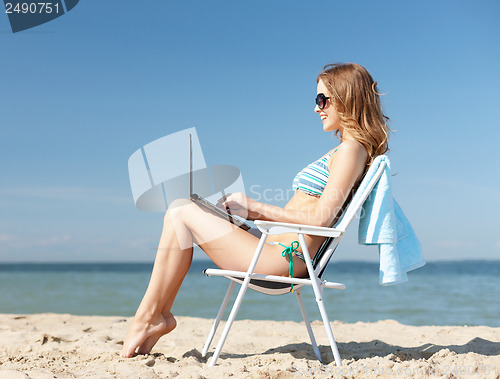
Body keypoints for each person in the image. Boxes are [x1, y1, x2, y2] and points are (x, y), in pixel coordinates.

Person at [121, 62, 390, 358]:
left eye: (322, 99)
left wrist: (255, 208)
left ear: (346, 97)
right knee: (185, 207)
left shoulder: (352, 149)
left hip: (281, 261)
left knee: (180, 209)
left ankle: (151, 317)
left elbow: (321, 219)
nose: (317, 108)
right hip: (274, 248)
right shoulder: (348, 149)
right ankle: (154, 316)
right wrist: (249, 217)